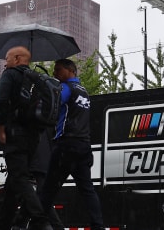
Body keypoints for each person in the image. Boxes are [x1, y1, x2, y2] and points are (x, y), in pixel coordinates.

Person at [39, 59, 104, 230]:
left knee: (48, 190)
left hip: (66, 145)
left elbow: (53, 104)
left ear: (70, 70)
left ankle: (36, 223)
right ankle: (98, 226)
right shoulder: (84, 92)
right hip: (84, 146)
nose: (55, 73)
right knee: (87, 190)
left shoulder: (66, 88)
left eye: (58, 70)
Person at [0, 46, 53, 230]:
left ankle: (40, 220)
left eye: (8, 58)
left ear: (18, 58)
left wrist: (1, 128)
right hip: (33, 138)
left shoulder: (10, 75)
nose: (6, 62)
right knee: (12, 187)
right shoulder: (36, 79)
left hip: (15, 135)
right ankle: (2, 225)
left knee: (20, 179)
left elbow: (1, 101)